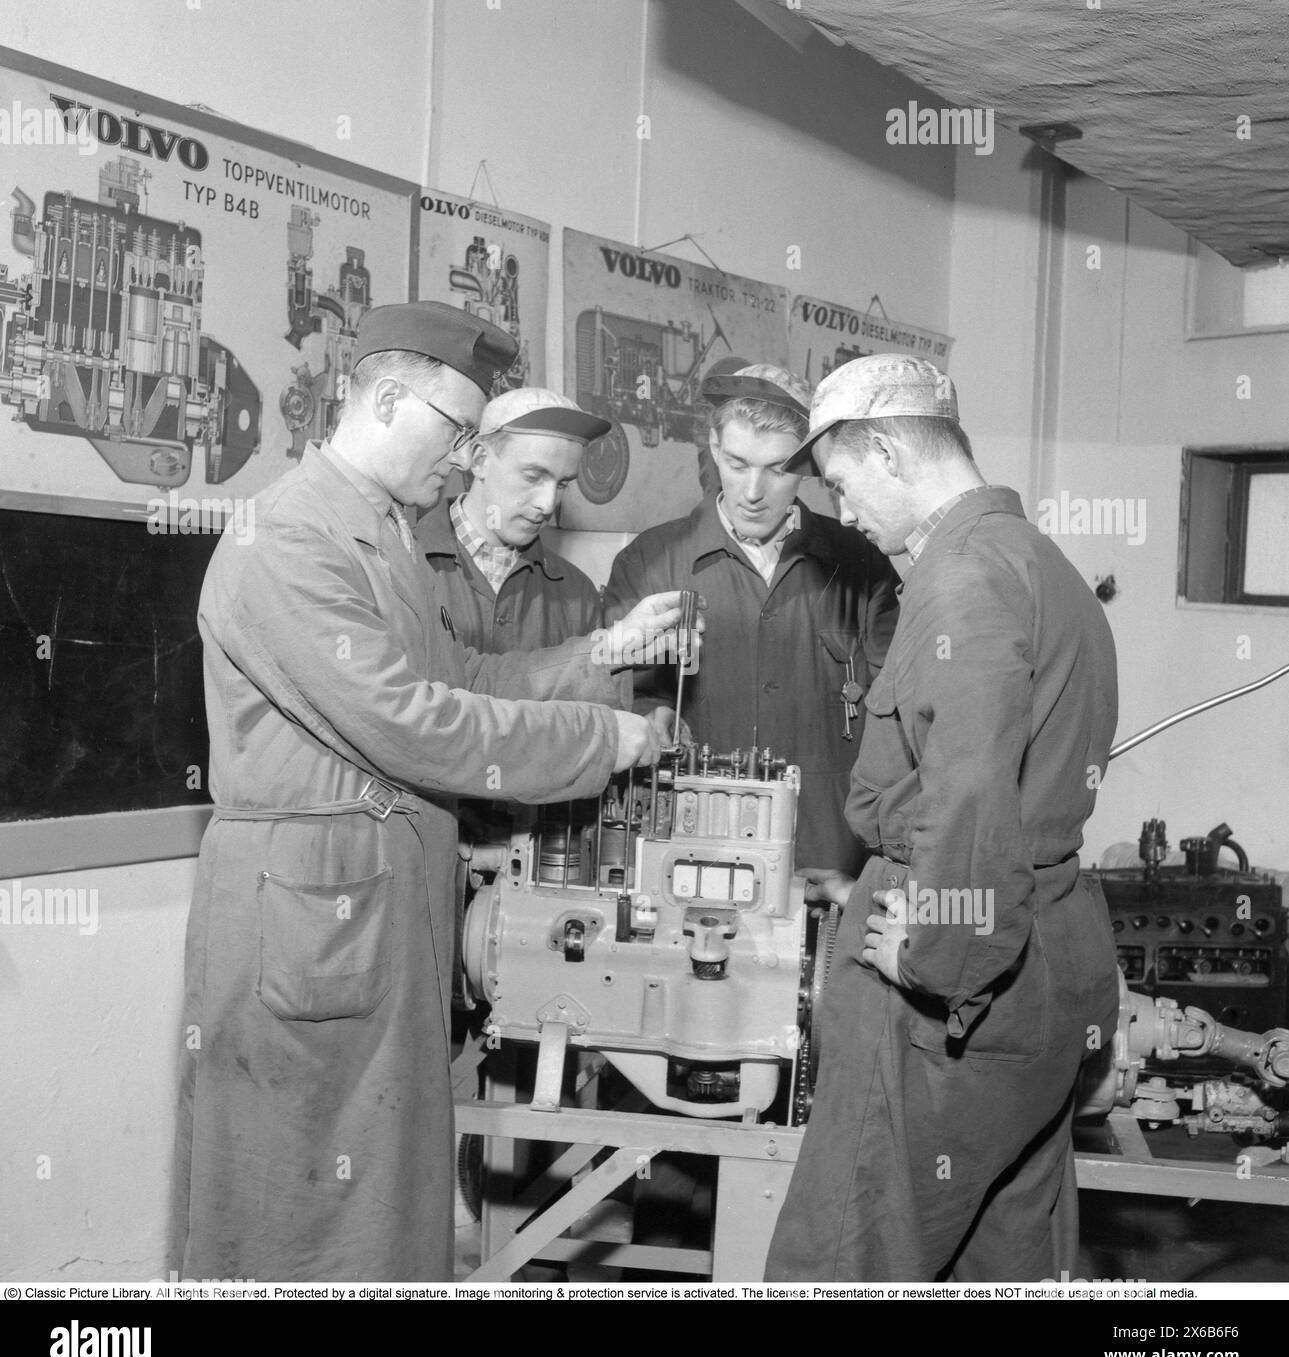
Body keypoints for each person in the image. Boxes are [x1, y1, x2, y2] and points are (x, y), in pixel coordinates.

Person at [172, 301, 693, 1282]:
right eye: (456, 432)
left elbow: (459, 680)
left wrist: (599, 654)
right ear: (387, 399)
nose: (461, 460)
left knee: (378, 1212)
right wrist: (599, 739)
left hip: (369, 917)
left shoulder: (381, 536)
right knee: (294, 1216)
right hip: (308, 931)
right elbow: (411, 721)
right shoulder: (289, 537)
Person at [766, 355, 1120, 1281]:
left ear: (885, 449)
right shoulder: (1044, 563)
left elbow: (968, 806)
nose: (842, 513)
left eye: (842, 483)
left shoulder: (959, 582)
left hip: (956, 982)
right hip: (1053, 959)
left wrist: (934, 949)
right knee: (1001, 1254)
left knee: (848, 1254)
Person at [603, 363, 899, 876]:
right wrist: (652, 716)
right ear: (714, 448)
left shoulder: (862, 562)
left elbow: (898, 719)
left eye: (778, 469)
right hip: (692, 854)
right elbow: (616, 702)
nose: (753, 491)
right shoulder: (648, 563)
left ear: (808, 465)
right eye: (737, 463)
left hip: (828, 859)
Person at [416, 386, 610, 655]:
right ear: (481, 460)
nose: (547, 503)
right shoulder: (404, 560)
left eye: (563, 484)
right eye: (533, 476)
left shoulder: (578, 596)